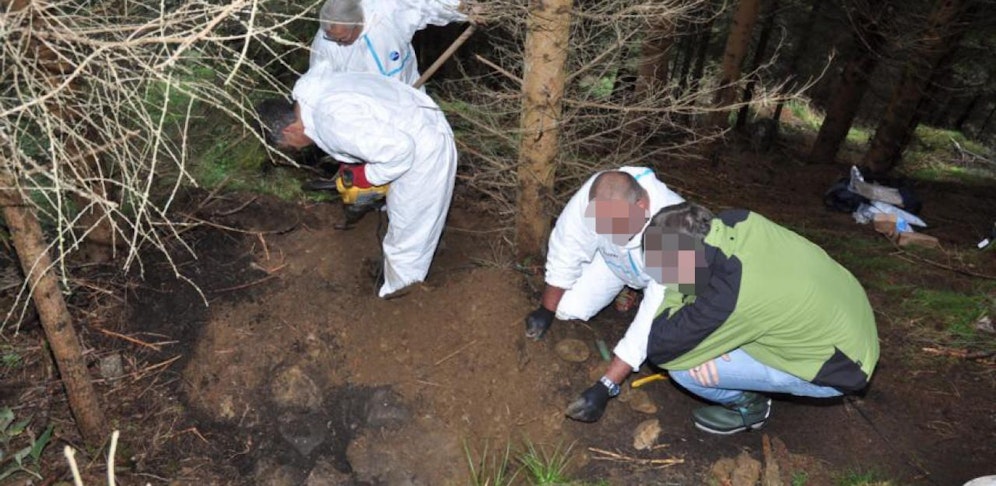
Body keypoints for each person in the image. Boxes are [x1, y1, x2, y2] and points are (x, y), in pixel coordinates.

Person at [629, 201, 879, 434]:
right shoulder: (737, 220)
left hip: (841, 368)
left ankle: (752, 409)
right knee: (715, 328)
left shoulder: (731, 295)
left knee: (685, 369)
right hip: (846, 311)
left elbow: (661, 350)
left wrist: (679, 295)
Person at [256, 71, 457, 298]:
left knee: (406, 240)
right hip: (415, 121)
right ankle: (424, 251)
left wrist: (365, 177)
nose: (296, 149)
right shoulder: (314, 95)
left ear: (288, 130)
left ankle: (403, 301)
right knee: (408, 218)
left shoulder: (331, 122)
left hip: (423, 150)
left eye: (289, 146)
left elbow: (400, 151)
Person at [519, 169, 685, 421]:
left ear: (641, 206)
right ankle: (626, 286)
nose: (612, 233)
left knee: (665, 329)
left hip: (659, 277)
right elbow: (568, 246)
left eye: (618, 226)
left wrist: (607, 385)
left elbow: (652, 318)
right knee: (567, 308)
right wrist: (546, 309)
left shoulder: (674, 230)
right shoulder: (596, 196)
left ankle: (636, 289)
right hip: (613, 263)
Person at [306, 0, 472, 86]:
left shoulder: (388, 10)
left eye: (343, 38)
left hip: (411, 94)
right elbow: (320, 84)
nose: (339, 43)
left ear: (358, 21)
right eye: (333, 38)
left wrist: (466, 9)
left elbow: (427, 4)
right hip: (371, 116)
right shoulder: (325, 47)